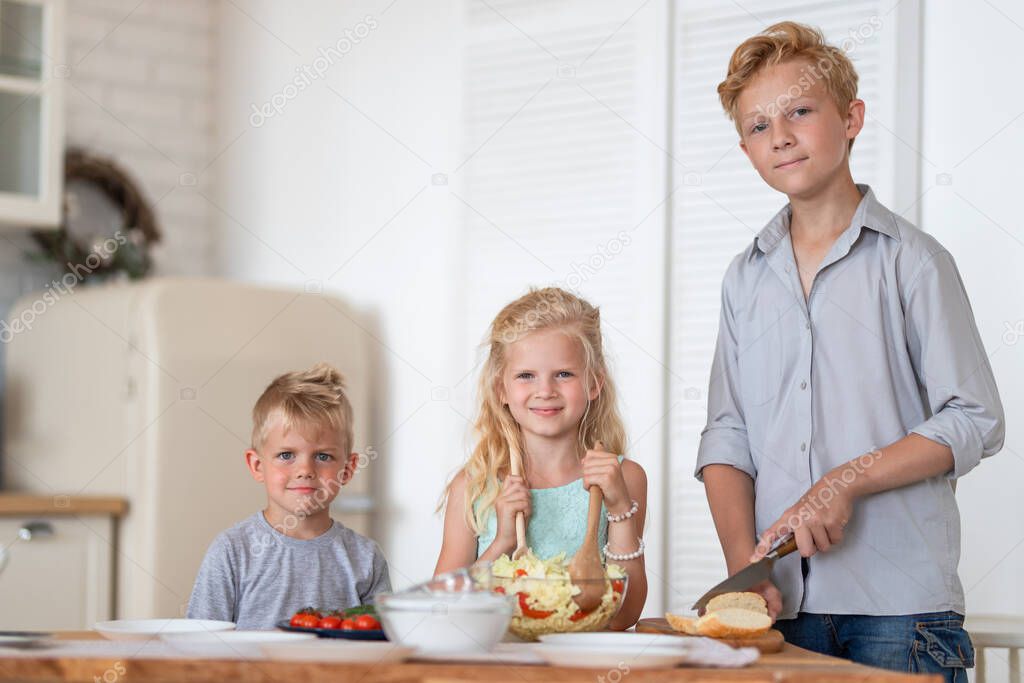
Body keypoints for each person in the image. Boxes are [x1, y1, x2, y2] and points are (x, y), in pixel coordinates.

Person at [696, 21, 1004, 682]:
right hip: (781, 613)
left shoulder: (915, 263)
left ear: (852, 118)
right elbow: (727, 437)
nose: (778, 135)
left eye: (799, 111)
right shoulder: (743, 279)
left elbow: (976, 417)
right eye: (756, 126)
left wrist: (846, 479)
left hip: (901, 617)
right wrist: (741, 574)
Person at [434, 287, 648, 629]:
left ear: (594, 384)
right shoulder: (474, 485)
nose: (545, 390)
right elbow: (442, 608)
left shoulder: (625, 477)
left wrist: (621, 509)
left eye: (564, 374)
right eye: (525, 375)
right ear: (501, 389)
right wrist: (503, 539)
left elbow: (624, 615)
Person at [187, 363, 391, 629]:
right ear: (257, 465)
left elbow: (380, 645)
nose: (305, 470)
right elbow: (200, 645)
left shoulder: (366, 558)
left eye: (323, 456)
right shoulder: (231, 552)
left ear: (348, 469)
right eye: (286, 455)